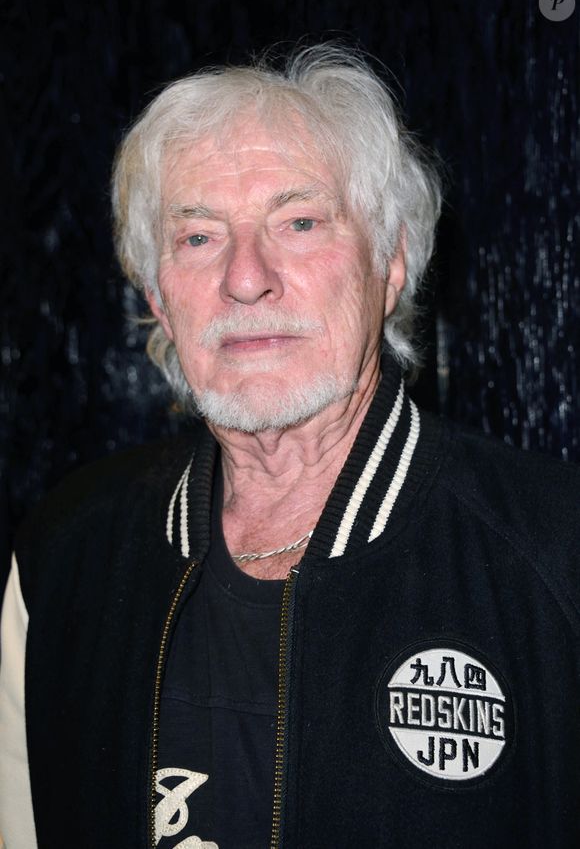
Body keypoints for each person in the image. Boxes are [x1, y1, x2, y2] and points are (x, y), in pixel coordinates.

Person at [1, 44, 579, 849]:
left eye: (300, 223)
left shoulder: (555, 558)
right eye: (198, 237)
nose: (247, 277)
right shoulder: (63, 557)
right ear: (158, 297)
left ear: (392, 261)